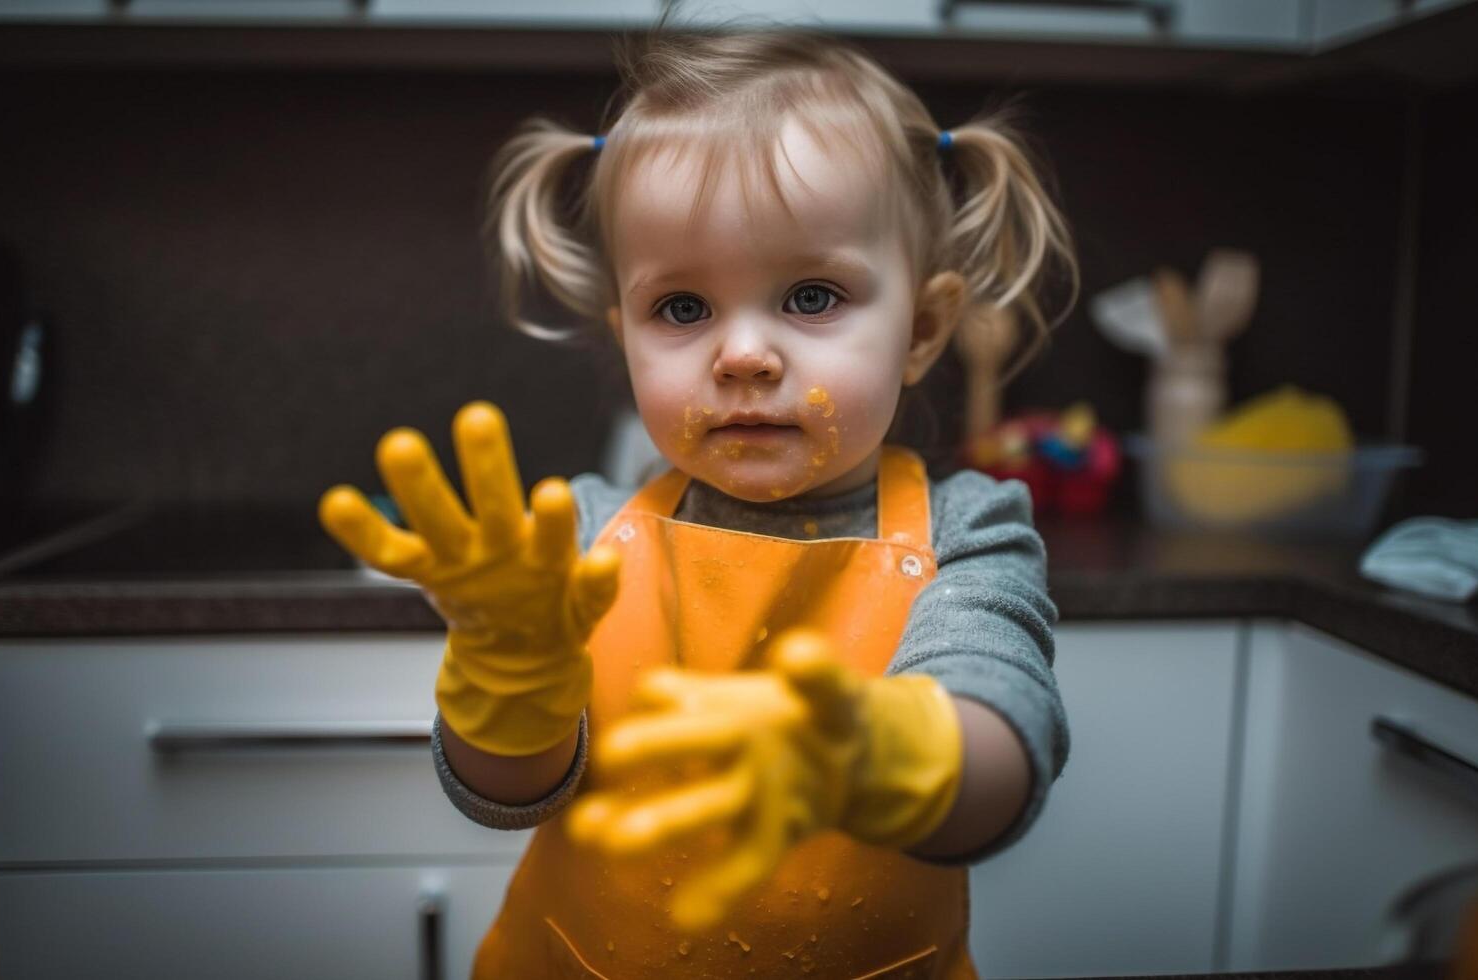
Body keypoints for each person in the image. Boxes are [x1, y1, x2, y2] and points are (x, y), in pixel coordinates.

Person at [319, 27, 1075, 979]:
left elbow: (1007, 752)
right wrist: (506, 678)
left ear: (922, 328)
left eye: (810, 295)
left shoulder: (971, 533)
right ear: (625, 332)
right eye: (681, 309)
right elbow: (503, 793)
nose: (743, 356)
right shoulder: (582, 533)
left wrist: (881, 756)